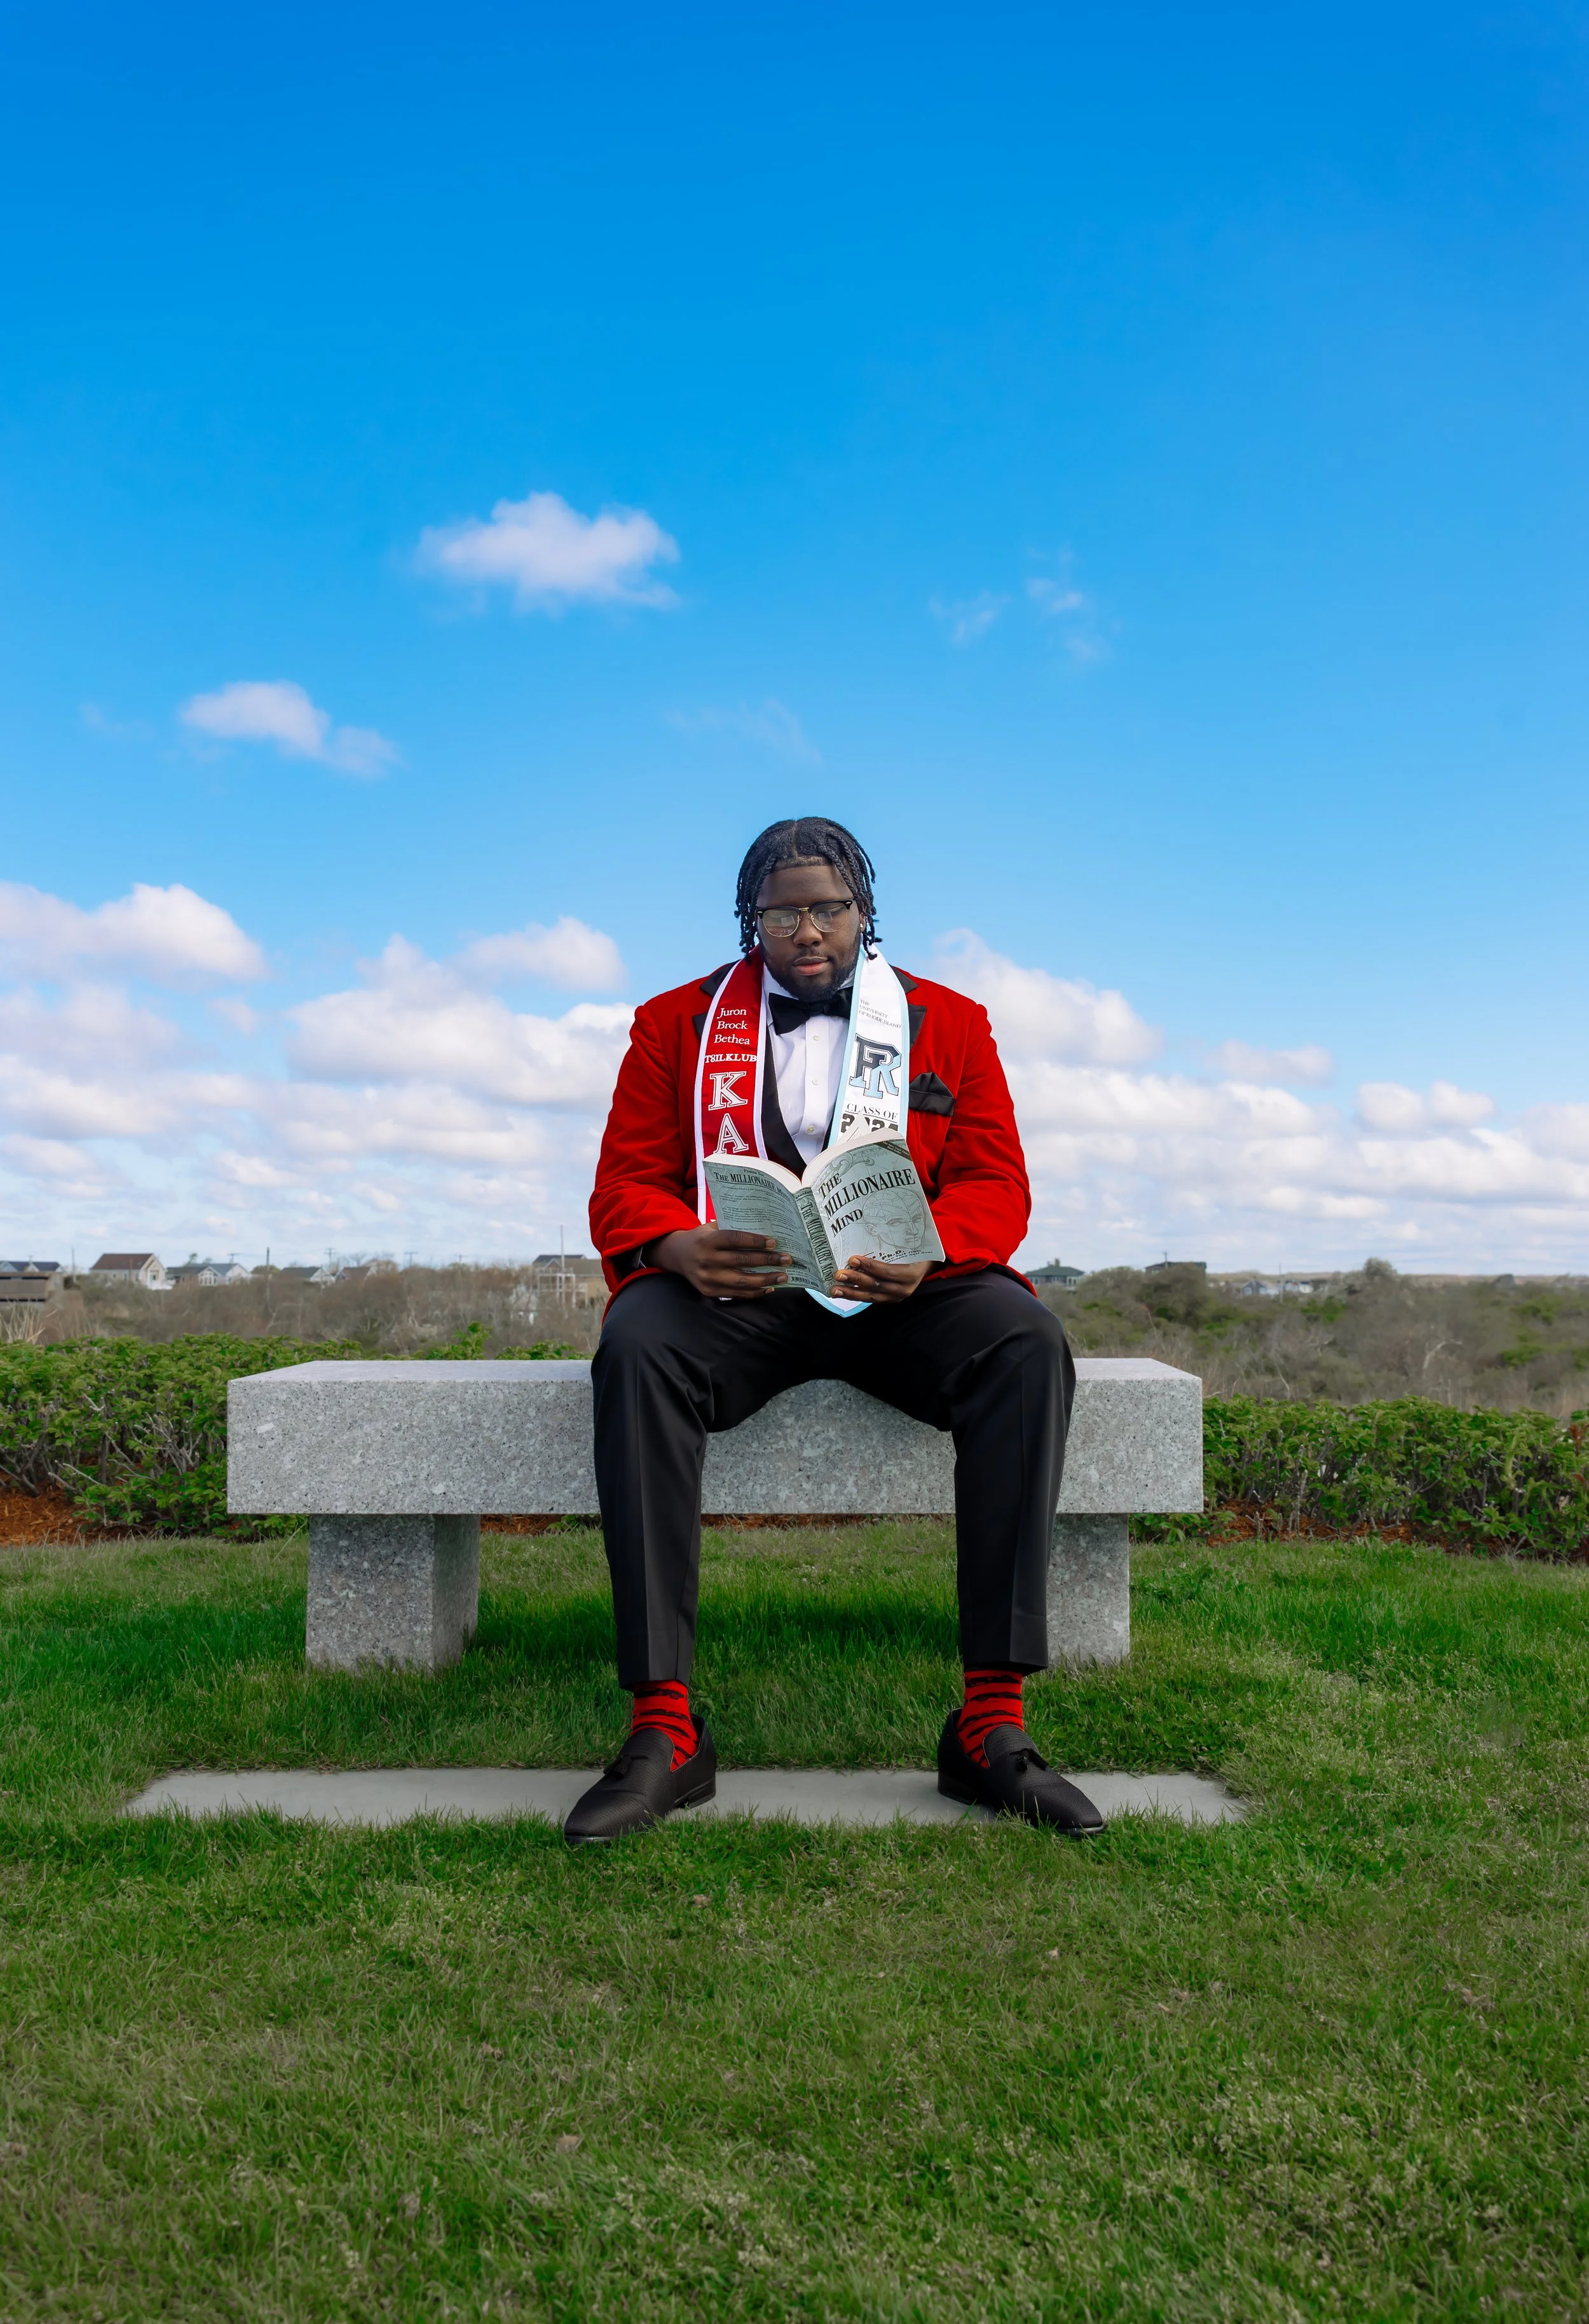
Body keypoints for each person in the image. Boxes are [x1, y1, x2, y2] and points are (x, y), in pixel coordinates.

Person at [566, 816, 1104, 1844]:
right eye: (783, 912)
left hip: (902, 1287)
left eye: (828, 908)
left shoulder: (949, 1021)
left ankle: (992, 1728)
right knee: (637, 1343)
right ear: (749, 920)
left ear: (865, 913)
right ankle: (664, 1732)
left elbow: (997, 1179)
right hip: (744, 1295)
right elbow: (626, 1183)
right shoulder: (673, 1025)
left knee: (1026, 1344)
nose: (807, 930)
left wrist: (935, 1251)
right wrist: (677, 1249)